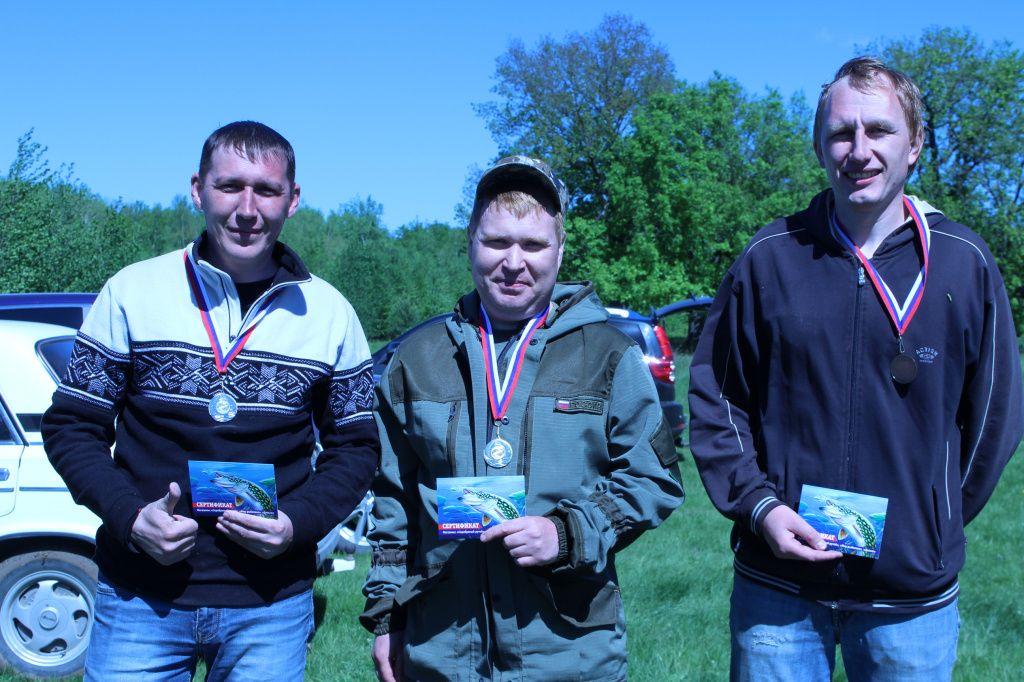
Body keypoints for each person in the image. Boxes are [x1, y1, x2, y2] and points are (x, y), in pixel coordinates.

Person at [688, 57, 1024, 681]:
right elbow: (718, 399)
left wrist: (933, 519)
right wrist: (760, 507)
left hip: (909, 603)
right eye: (842, 133)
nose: (859, 150)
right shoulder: (770, 260)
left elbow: (995, 416)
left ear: (916, 144)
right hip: (779, 590)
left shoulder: (963, 264)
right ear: (819, 144)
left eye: (880, 131)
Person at [41, 121, 379, 681]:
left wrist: (297, 524)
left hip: (270, 606)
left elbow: (357, 448)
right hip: (140, 598)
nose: (247, 208)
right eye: (230, 186)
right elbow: (73, 426)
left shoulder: (329, 313)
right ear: (198, 189)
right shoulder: (132, 290)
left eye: (267, 191)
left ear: (292, 200)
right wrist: (129, 518)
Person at [361, 155, 684, 681]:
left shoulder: (607, 354)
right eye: (496, 242)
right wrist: (385, 615)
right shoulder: (415, 360)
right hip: (441, 647)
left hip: (569, 649)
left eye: (533, 245)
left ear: (560, 249)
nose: (514, 262)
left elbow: (655, 477)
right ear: (470, 241)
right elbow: (392, 499)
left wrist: (569, 533)